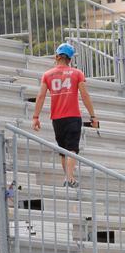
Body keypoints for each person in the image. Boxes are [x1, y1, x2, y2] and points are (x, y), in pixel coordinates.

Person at [32, 43, 99, 188]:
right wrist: (93, 116)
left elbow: (41, 96)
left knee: (63, 151)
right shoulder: (77, 73)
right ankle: (69, 179)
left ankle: (68, 177)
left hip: (57, 118)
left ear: (56, 56)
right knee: (72, 149)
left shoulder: (47, 75)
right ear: (70, 59)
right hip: (73, 116)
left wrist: (35, 117)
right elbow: (85, 95)